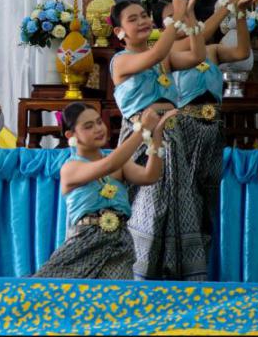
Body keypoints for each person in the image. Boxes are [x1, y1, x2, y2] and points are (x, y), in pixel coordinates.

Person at [110, 0, 209, 280]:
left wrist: (190, 16)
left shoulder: (161, 57)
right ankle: (140, 276)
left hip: (172, 136)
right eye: (133, 19)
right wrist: (175, 18)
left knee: (176, 206)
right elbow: (154, 54)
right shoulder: (121, 61)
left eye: (144, 15)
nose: (142, 21)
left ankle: (174, 275)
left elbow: (198, 56)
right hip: (141, 139)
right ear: (119, 32)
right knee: (149, 209)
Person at [158, 0, 258, 267]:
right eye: (172, 18)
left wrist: (240, 13)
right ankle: (176, 262)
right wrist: (226, 6)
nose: (179, 21)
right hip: (184, 130)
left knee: (208, 197)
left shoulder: (211, 51)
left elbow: (241, 52)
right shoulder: (166, 52)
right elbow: (200, 36)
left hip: (213, 129)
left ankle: (200, 263)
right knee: (184, 197)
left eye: (182, 15)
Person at [34, 103, 173, 279]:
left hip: (119, 242)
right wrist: (142, 130)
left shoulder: (119, 163)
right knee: (49, 289)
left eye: (99, 122)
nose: (98, 129)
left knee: (117, 294)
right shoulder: (70, 168)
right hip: (84, 241)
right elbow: (109, 165)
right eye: (88, 126)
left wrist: (157, 136)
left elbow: (150, 176)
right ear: (71, 135)